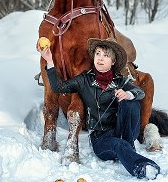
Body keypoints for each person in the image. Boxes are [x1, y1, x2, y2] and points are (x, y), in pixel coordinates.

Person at [38, 37, 160, 180]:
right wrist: (50, 61)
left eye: (106, 55)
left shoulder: (120, 80)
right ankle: (143, 167)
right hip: (101, 139)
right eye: (98, 53)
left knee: (131, 101)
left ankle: (128, 146)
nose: (100, 58)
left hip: (122, 131)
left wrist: (127, 93)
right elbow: (59, 87)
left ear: (113, 62)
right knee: (118, 145)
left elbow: (141, 93)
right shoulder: (85, 79)